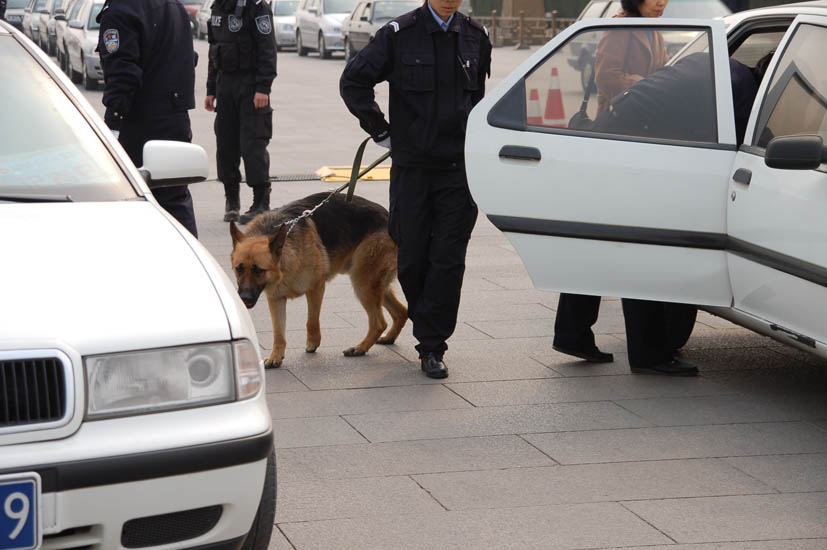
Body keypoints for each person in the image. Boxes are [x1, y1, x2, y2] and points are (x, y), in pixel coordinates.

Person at [340, 0, 491, 379]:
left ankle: (432, 344)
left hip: (458, 171)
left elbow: (477, 100)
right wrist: (381, 131)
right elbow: (353, 81)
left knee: (449, 257)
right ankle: (427, 326)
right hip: (413, 170)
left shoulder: (475, 36)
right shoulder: (398, 35)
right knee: (412, 254)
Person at [552, 0, 696, 375]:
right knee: (636, 245)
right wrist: (653, 86)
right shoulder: (621, 30)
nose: (661, 1)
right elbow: (607, 78)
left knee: (598, 242)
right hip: (620, 144)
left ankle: (572, 332)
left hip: (635, 142)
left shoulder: (651, 29)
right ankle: (647, 352)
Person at [96, 0, 199, 237]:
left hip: (141, 123)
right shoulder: (173, 7)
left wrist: (113, 125)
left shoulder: (121, 12)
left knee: (132, 200)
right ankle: (190, 263)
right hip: (176, 119)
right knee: (175, 199)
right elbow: (188, 58)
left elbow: (123, 75)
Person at [205, 0, 277, 224]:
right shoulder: (218, 6)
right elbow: (213, 48)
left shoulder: (257, 7)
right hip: (225, 83)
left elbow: (267, 48)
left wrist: (263, 87)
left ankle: (260, 203)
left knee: (252, 144)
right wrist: (211, 89)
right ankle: (232, 201)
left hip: (251, 84)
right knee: (225, 144)